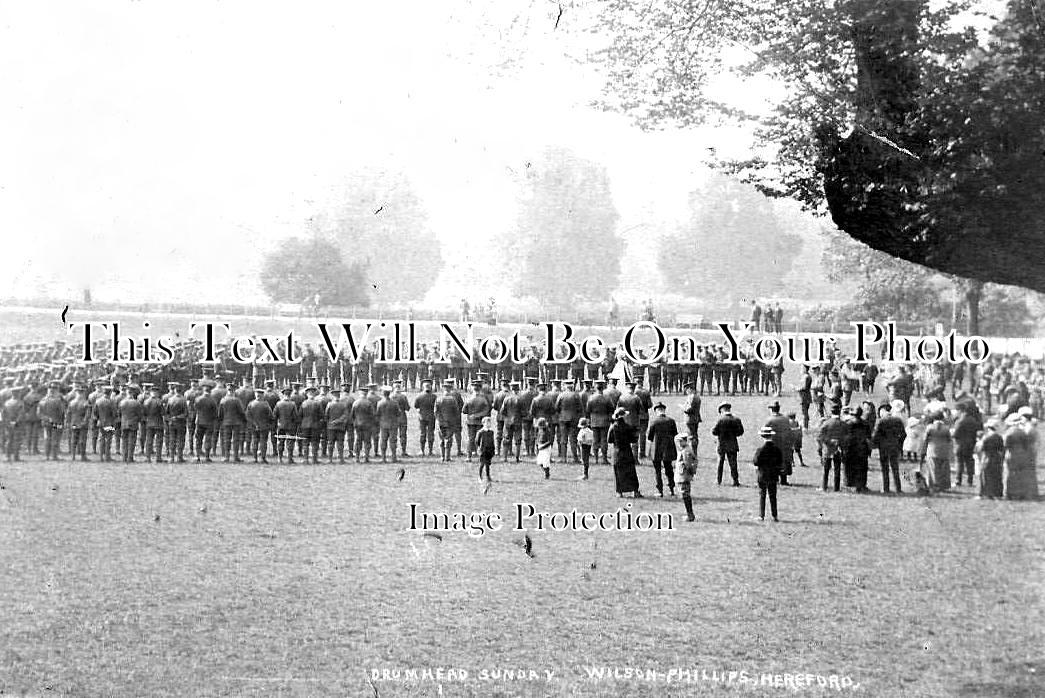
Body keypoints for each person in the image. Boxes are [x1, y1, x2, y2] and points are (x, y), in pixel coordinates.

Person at [1003, 407, 1039, 500]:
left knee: (1011, 474)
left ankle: (1010, 493)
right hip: (1022, 453)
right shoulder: (1023, 431)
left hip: (1013, 454)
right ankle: (1022, 492)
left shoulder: (1011, 432)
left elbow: (1005, 444)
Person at [871, 403, 906, 493]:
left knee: (885, 469)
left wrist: (874, 444)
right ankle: (898, 488)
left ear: (882, 411)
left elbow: (876, 435)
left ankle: (886, 488)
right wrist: (899, 443)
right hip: (894, 446)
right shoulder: (898, 420)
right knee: (895, 468)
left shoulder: (881, 422)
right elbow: (904, 434)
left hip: (883, 448)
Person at [608, 407, 642, 497]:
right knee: (631, 472)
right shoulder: (628, 427)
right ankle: (635, 491)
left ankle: (619, 492)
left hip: (617, 451)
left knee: (617, 472)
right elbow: (633, 439)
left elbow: (609, 440)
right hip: (627, 451)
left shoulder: (613, 427)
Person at [646, 402, 678, 497]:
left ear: (656, 411)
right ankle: (672, 489)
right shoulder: (671, 421)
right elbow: (675, 434)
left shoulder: (654, 422)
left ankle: (660, 491)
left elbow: (650, 437)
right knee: (669, 470)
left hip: (656, 450)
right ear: (664, 410)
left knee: (657, 471)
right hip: (668, 449)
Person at [753, 425, 782, 521]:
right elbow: (780, 461)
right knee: (773, 496)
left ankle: (761, 515)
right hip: (773, 475)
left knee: (762, 495)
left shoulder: (760, 450)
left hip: (762, 475)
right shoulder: (777, 449)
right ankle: (775, 515)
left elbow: (756, 461)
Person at [711, 402, 744, 486]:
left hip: (721, 444)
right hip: (732, 443)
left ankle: (718, 480)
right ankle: (735, 480)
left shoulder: (720, 420)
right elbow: (740, 432)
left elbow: (714, 431)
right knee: (733, 463)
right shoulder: (736, 419)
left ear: (722, 410)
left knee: (720, 463)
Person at [817, 405, 847, 492]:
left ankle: (824, 486)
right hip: (839, 449)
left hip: (828, 449)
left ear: (831, 411)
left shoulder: (826, 423)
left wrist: (829, 441)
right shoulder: (843, 424)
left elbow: (820, 436)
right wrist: (839, 442)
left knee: (826, 469)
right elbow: (846, 436)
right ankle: (836, 488)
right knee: (837, 469)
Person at [763, 400, 793, 486]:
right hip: (785, 443)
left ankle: (774, 478)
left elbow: (765, 432)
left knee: (774, 461)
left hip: (774, 444)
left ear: (772, 409)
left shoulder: (769, 420)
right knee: (784, 460)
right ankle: (784, 479)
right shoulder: (786, 419)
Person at [921, 412, 953, 492]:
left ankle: (934, 485)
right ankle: (943, 486)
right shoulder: (946, 428)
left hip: (932, 450)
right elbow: (949, 440)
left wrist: (923, 451)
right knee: (944, 470)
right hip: (944, 451)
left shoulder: (929, 428)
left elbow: (925, 440)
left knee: (933, 469)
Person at [951, 402, 981, 488]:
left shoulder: (959, 421)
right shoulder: (973, 420)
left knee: (959, 463)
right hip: (970, 443)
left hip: (960, 444)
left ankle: (958, 481)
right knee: (969, 463)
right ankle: (970, 481)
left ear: (960, 410)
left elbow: (955, 434)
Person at [975, 418, 1004, 499]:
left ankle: (985, 493)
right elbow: (1001, 448)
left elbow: (981, 448)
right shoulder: (999, 437)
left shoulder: (986, 437)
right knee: (996, 476)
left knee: (985, 476)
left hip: (987, 457)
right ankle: (997, 493)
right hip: (997, 457)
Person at [675, 434, 698, 522]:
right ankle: (689, 514)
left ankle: (690, 515)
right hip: (683, 476)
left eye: (681, 441)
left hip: (684, 476)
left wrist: (690, 474)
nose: (679, 443)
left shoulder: (686, 451)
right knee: (685, 495)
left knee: (685, 495)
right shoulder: (685, 450)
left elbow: (688, 464)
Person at [476, 416, 496, 483]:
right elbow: (477, 441)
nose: (488, 424)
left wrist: (493, 450)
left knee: (488, 464)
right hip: (483, 450)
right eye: (487, 423)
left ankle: (488, 476)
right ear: (483, 423)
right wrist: (479, 449)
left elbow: (492, 441)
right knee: (482, 464)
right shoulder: (480, 432)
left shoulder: (491, 432)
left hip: (489, 450)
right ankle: (480, 476)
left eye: (489, 423)